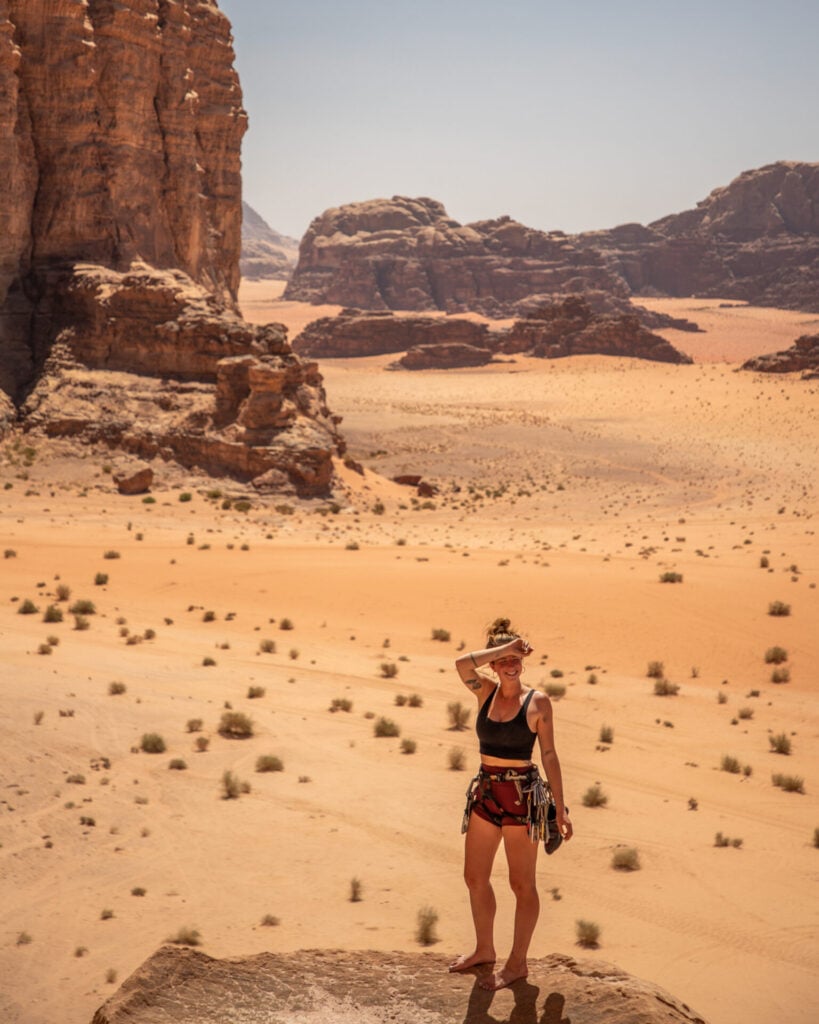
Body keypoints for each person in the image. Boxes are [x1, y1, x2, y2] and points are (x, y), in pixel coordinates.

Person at [448, 617, 572, 991]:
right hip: (486, 795)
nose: (511, 665)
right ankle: (484, 949)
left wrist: (561, 808)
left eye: (516, 658)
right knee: (474, 877)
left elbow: (549, 755)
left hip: (522, 799)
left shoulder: (538, 702)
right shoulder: (485, 693)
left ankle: (517, 963)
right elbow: (461, 665)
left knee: (521, 884)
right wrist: (504, 647)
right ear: (494, 663)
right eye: (503, 659)